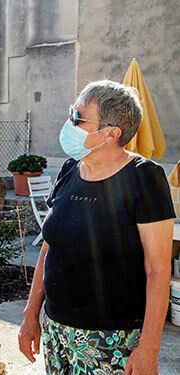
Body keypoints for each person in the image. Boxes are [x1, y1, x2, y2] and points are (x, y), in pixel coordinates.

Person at [18, 80, 175, 374]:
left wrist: (149, 348)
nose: (69, 123)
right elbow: (50, 246)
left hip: (111, 339)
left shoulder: (144, 179)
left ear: (111, 133)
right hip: (56, 329)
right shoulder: (69, 170)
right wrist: (31, 314)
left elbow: (158, 269)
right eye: (70, 114)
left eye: (78, 118)